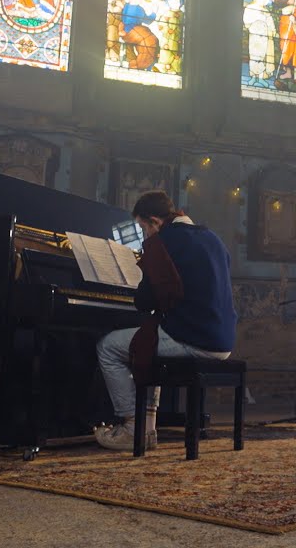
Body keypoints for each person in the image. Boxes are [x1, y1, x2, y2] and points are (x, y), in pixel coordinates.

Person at [94, 191, 237, 450]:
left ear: (154, 222)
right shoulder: (213, 239)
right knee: (148, 340)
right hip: (223, 339)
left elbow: (144, 301)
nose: (145, 234)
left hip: (194, 337)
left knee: (108, 347)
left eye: (142, 227)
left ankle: (131, 427)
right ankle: (147, 433)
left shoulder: (163, 241)